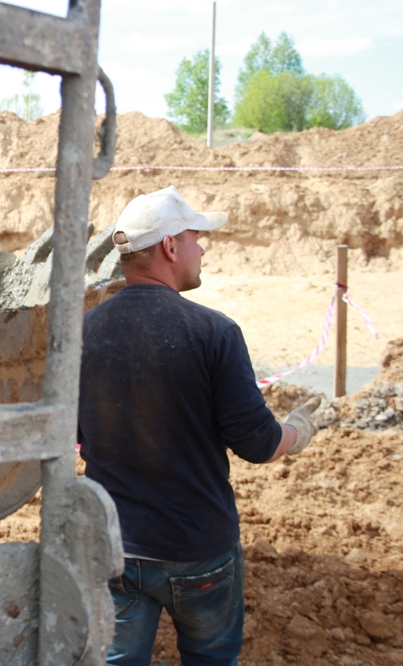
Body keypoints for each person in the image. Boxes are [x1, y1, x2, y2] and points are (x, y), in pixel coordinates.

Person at [77, 186, 319, 666]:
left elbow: (72, 437)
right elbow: (257, 443)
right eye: (195, 238)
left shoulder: (82, 331)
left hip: (115, 550)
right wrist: (297, 432)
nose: (202, 248)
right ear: (170, 247)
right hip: (198, 552)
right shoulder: (215, 332)